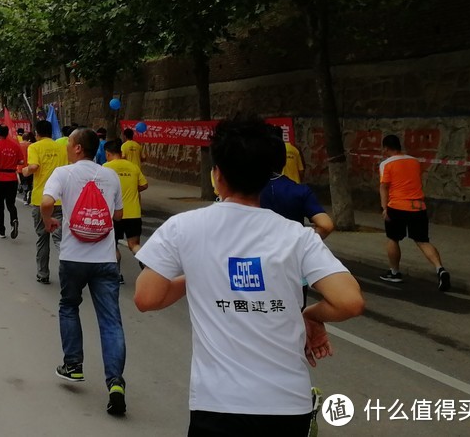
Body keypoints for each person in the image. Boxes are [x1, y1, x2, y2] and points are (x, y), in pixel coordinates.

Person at [135, 115, 365, 437]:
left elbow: (147, 298)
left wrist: (199, 275)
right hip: (288, 405)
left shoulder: (183, 227)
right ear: (269, 175)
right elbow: (350, 301)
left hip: (218, 405)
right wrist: (310, 315)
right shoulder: (296, 235)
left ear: (217, 175)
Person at [41, 127, 127, 416]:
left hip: (73, 257)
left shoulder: (64, 173)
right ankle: (115, 381)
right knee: (111, 320)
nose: (67, 147)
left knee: (69, 306)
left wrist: (49, 221)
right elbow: (118, 216)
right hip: (105, 260)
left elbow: (46, 202)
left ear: (78, 148)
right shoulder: (110, 175)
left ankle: (73, 365)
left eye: (70, 143)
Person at [378, 134, 450, 291]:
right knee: (423, 241)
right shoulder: (414, 161)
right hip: (418, 207)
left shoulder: (386, 164)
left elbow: (384, 186)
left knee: (393, 239)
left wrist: (384, 208)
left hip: (397, 207)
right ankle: (440, 269)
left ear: (386, 148)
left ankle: (394, 272)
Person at [24, 119, 66, 284]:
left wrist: (25, 171)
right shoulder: (62, 148)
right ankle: (68, 271)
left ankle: (43, 274)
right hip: (60, 199)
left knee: (42, 238)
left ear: (37, 133)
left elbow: (33, 167)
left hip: (41, 199)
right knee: (60, 238)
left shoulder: (34, 147)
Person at [102, 139, 149, 278]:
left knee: (112, 245)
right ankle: (147, 264)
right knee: (134, 244)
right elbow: (144, 185)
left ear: (108, 153)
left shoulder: (105, 167)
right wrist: (134, 189)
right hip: (134, 213)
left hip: (114, 213)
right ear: (121, 152)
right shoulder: (133, 167)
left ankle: (117, 274)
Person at [0, 125, 23, 238]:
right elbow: (21, 161)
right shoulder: (15, 146)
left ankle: (1, 229)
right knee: (11, 203)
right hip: (12, 177)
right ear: (7, 133)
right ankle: (14, 220)